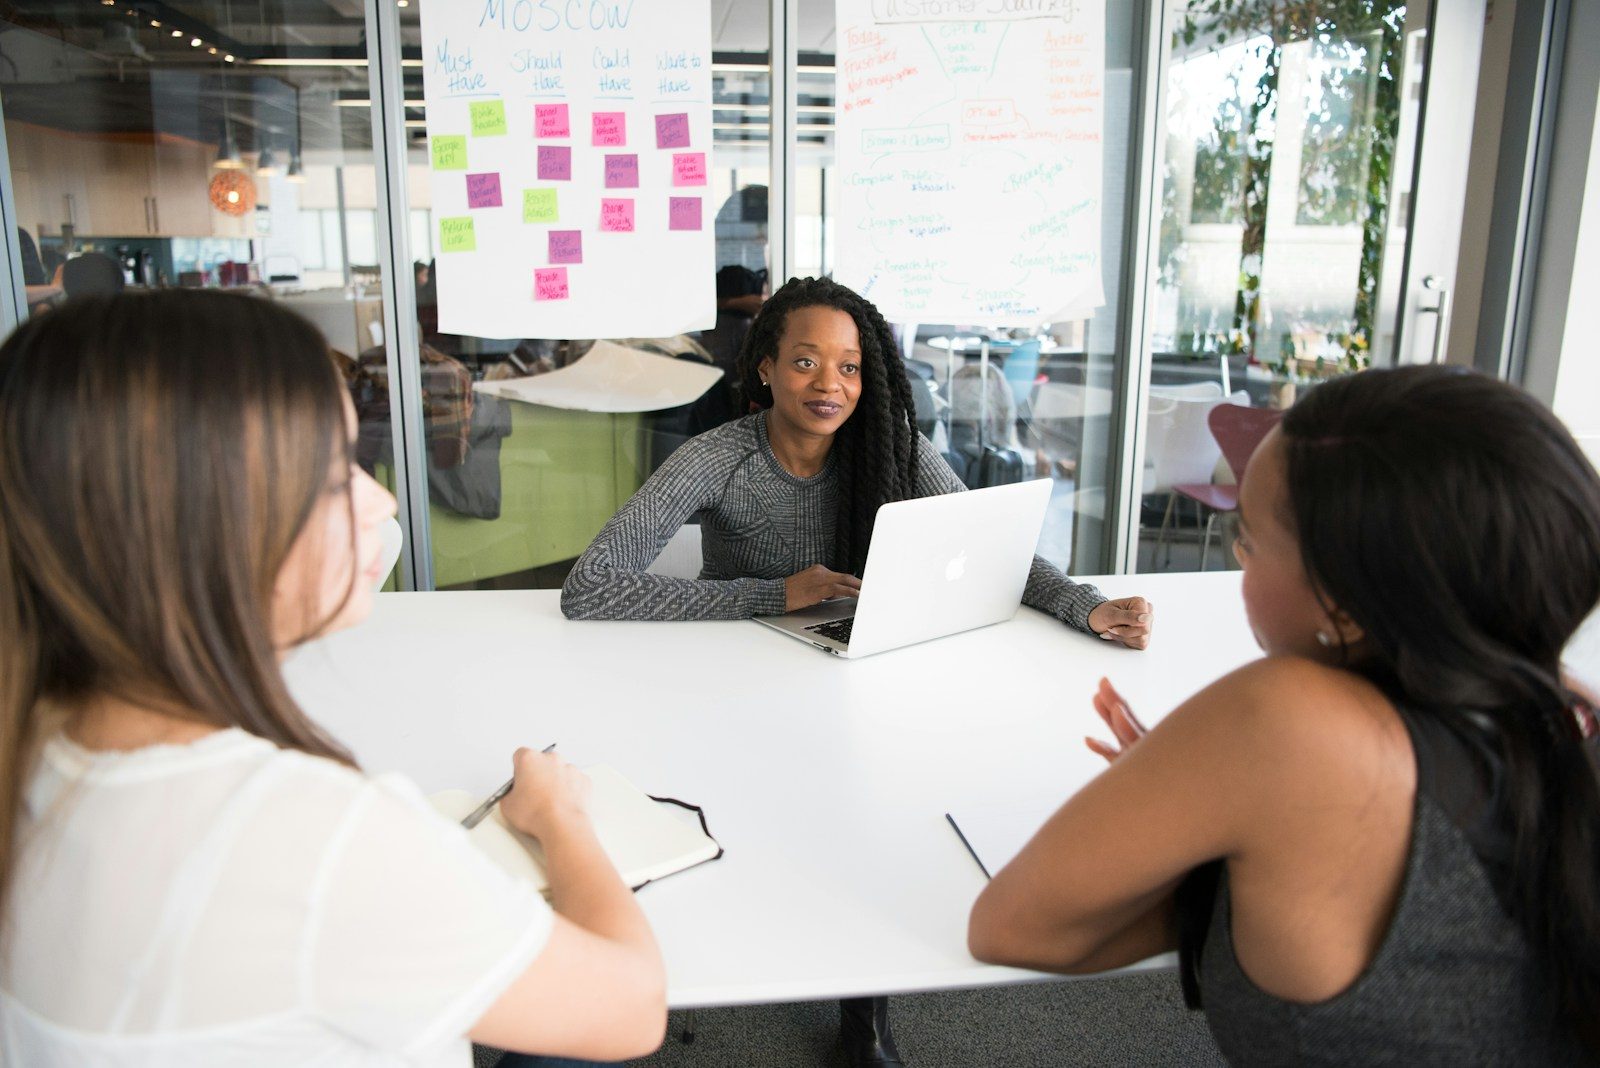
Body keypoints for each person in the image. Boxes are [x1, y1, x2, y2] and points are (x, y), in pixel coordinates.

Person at [0, 291, 667, 1067]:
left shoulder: (39, 740)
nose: (381, 498)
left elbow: (366, 551)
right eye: (331, 476)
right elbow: (631, 1008)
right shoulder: (307, 841)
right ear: (204, 528)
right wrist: (559, 815)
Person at [561, 275, 1154, 1067]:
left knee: (879, 805)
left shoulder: (889, 449)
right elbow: (591, 585)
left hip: (849, 672)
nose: (829, 385)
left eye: (848, 367)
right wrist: (775, 593)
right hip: (727, 681)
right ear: (766, 367)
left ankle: (863, 1012)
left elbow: (991, 548)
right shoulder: (719, 458)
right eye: (806, 362)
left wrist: (1085, 606)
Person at [968, 366, 1600, 1064]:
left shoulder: (1285, 722)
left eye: (1252, 541)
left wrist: (1199, 810)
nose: (1240, 561)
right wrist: (1235, 810)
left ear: (1349, 602)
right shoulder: (1564, 708)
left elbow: (1012, 928)